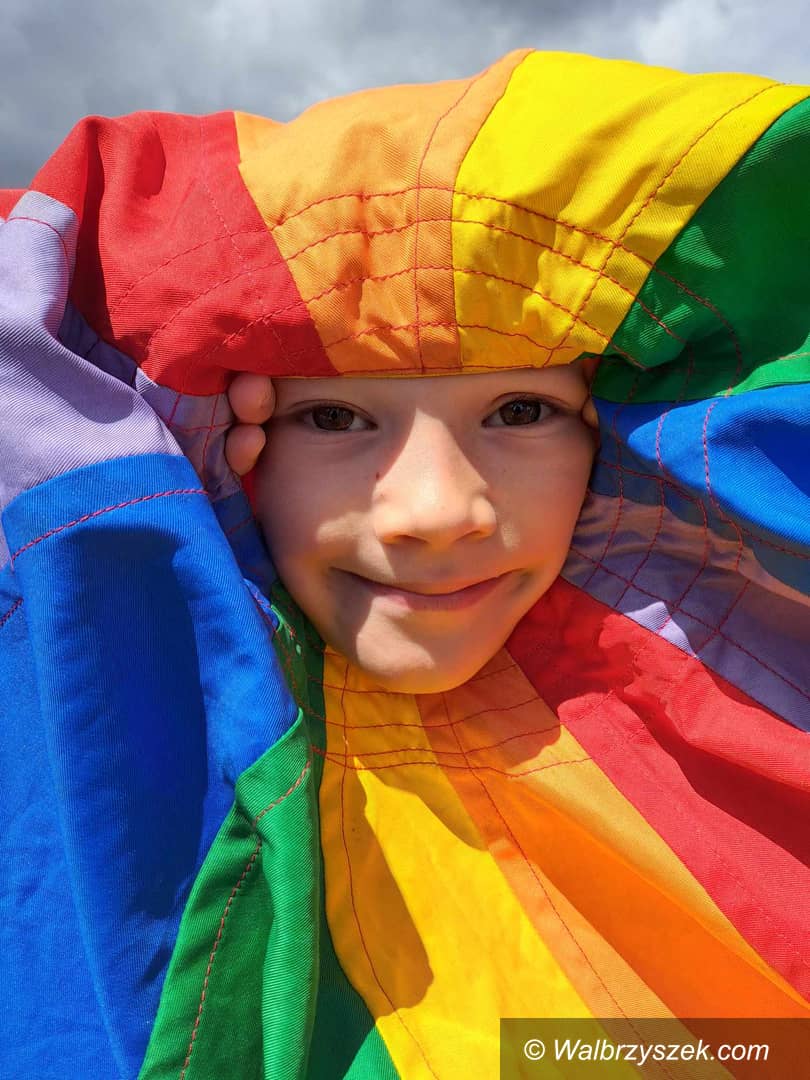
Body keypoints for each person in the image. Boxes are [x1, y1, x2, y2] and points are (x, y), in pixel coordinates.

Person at [2, 48, 809, 1080]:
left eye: (523, 410)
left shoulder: (741, 691)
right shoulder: (98, 683)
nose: (434, 512)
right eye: (334, 418)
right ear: (233, 440)